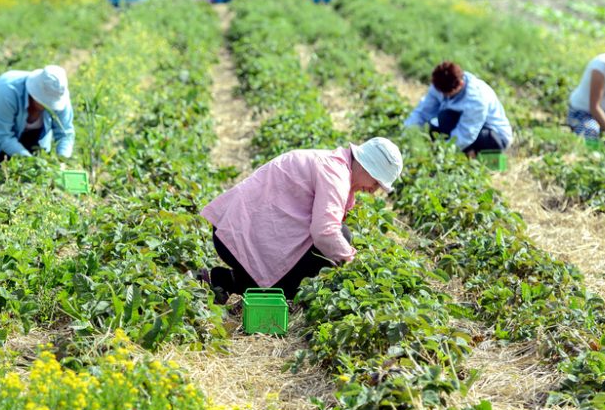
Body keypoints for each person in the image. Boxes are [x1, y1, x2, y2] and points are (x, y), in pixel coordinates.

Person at [199, 137, 403, 303]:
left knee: (326, 248)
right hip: (236, 236)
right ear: (367, 167)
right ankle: (240, 284)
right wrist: (354, 266)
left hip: (235, 233)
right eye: (376, 182)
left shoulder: (335, 167)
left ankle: (222, 281)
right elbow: (325, 232)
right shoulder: (335, 173)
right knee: (338, 239)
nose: (374, 190)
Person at [0, 65, 75, 174]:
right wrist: (29, 162)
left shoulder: (59, 97)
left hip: (34, 136)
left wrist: (61, 160)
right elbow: (3, 136)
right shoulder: (7, 92)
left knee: (33, 177)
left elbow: (65, 134)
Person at [404, 61, 512, 157]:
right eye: (442, 93)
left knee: (446, 120)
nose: (444, 96)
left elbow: (467, 133)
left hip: (493, 136)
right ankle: (466, 152)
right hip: (464, 127)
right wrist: (407, 133)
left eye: (448, 94)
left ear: (460, 84)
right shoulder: (439, 86)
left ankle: (471, 153)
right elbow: (423, 112)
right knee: (437, 123)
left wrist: (443, 153)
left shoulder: (476, 98)